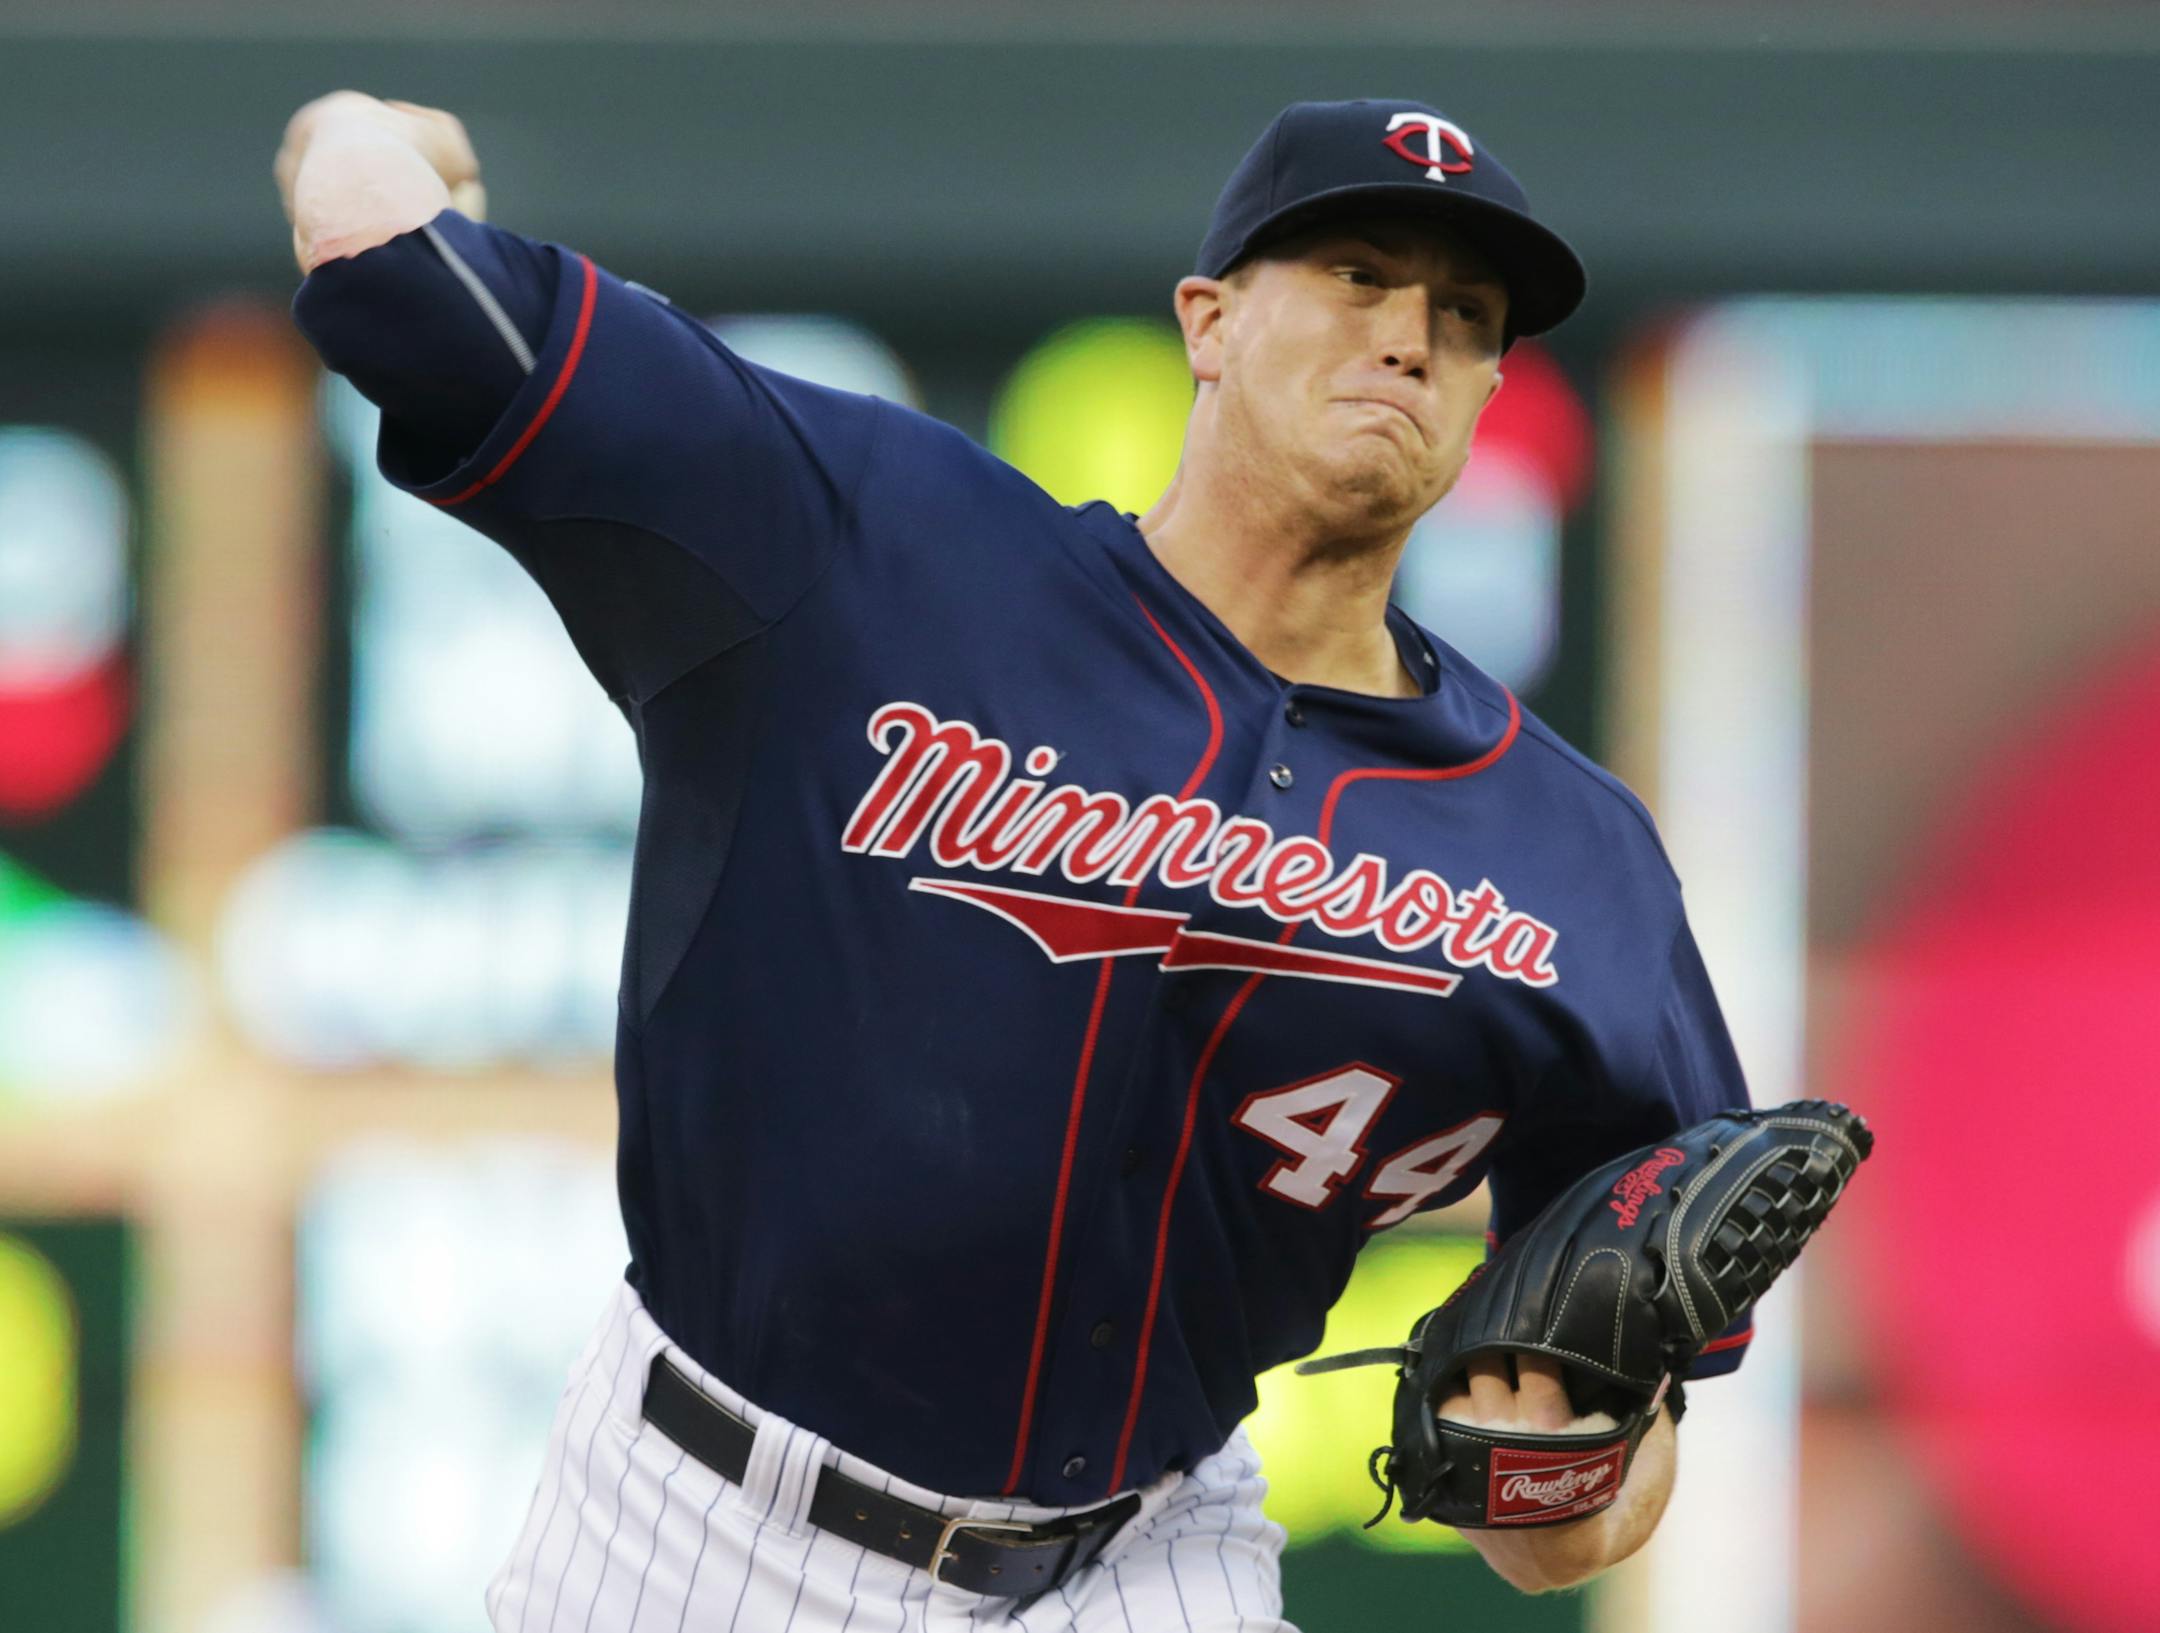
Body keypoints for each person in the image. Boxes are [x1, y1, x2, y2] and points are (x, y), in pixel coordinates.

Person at [277, 91, 1755, 1630]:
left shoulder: (1571, 863)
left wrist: (1567, 1466)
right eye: (1360, 275)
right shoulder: (868, 545)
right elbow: (385, 268)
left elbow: (1571, 1522)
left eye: (1465, 314)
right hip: (703, 1522)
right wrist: (366, 132)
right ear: (1209, 319)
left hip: (1149, 1557)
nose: (1410, 338)